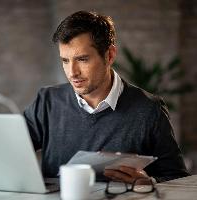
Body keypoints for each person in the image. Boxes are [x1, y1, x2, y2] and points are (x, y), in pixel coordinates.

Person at [23, 11, 189, 183]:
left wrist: (148, 182)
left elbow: (179, 179)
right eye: (65, 60)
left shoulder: (149, 110)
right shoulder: (47, 101)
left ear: (109, 55)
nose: (72, 72)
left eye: (82, 59)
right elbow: (8, 151)